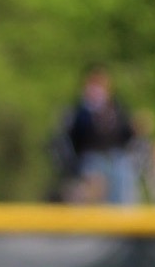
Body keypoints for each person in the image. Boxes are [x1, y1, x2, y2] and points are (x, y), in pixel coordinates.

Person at [60, 64, 140, 204]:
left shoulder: (117, 107)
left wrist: (134, 129)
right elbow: (73, 136)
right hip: (91, 158)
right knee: (94, 175)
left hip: (116, 157)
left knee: (123, 171)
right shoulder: (80, 110)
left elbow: (126, 134)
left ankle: (122, 219)